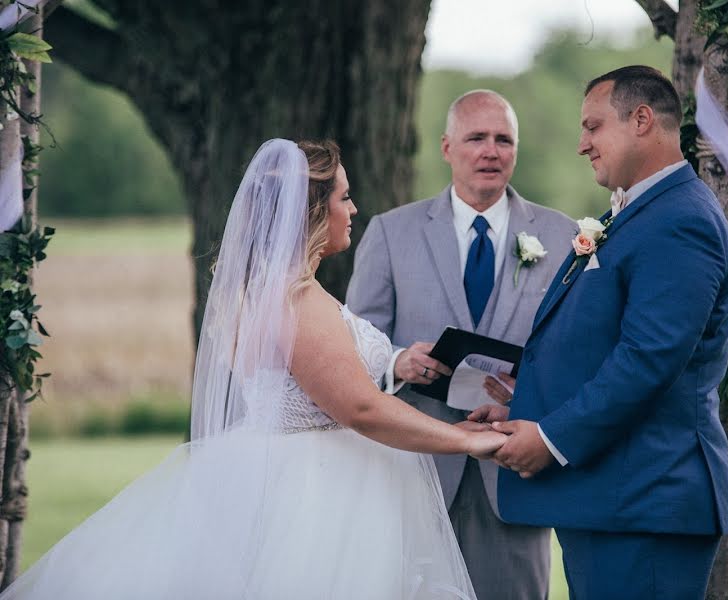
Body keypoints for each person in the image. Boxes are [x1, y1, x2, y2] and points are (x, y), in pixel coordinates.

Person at [3, 139, 508, 599]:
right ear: (313, 209)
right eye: (343, 198)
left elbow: (324, 379)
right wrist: (464, 439)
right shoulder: (299, 301)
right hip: (315, 498)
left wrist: (395, 360)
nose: (353, 209)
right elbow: (359, 407)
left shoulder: (272, 291)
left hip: (300, 472)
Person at [474, 66, 728, 599]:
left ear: (642, 120)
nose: (582, 144)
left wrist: (550, 439)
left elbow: (648, 361)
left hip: (645, 504)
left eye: (593, 127)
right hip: (615, 500)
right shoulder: (642, 213)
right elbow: (603, 345)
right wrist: (530, 405)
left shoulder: (679, 221)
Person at [347, 90, 575, 599]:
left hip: (515, 472)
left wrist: (533, 389)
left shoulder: (562, 238)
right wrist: (397, 363)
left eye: (503, 140)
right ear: (447, 147)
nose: (490, 151)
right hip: (414, 472)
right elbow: (353, 352)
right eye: (477, 138)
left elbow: (577, 353)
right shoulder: (391, 233)